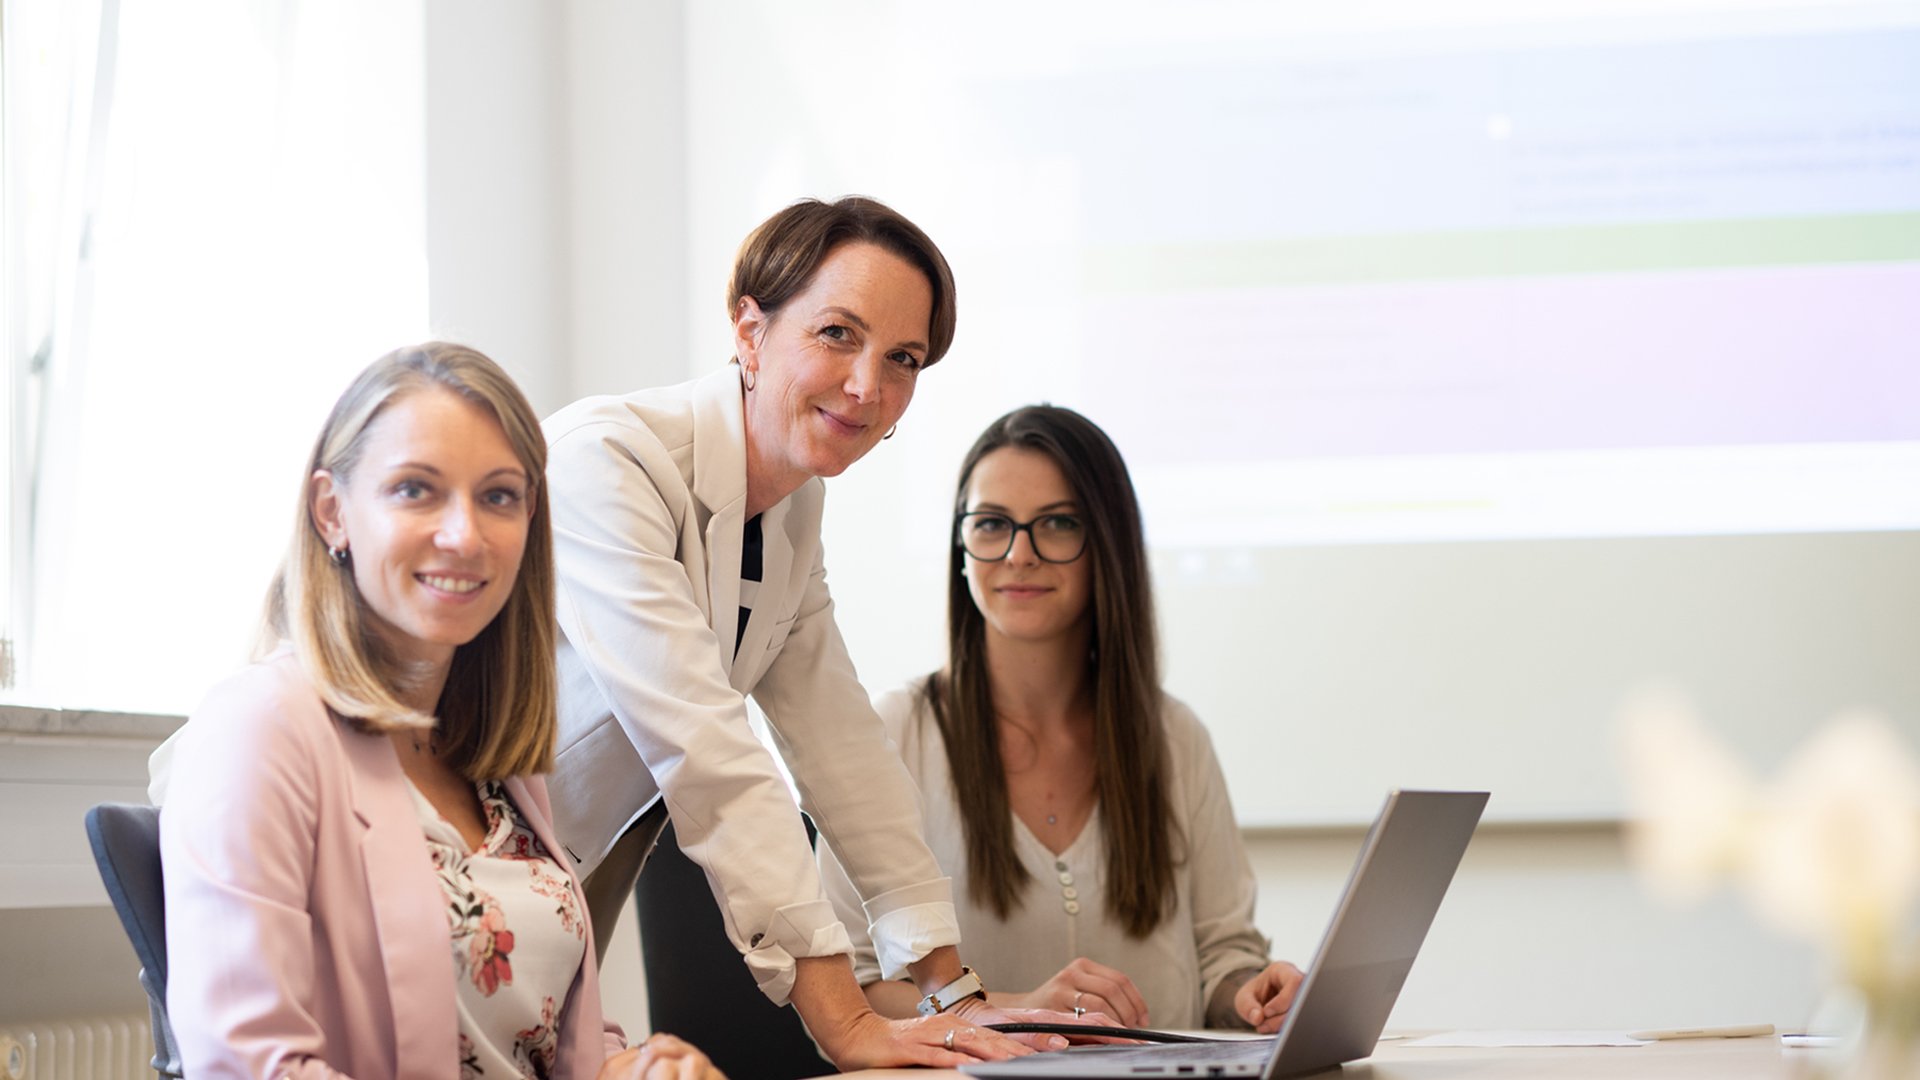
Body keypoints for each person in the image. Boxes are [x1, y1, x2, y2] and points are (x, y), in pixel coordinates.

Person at [543, 197, 1078, 1071]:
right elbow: (707, 752)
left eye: (902, 358)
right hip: (423, 891)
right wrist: (847, 1022)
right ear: (749, 329)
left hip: (543, 918)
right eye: (837, 334)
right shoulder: (609, 463)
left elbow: (844, 755)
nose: (868, 386)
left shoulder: (790, 509)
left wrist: (954, 998)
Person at [155, 343, 723, 1079]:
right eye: (416, 490)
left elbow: (529, 1029)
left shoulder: (497, 764)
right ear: (333, 511)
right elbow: (249, 1065)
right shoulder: (259, 729)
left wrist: (628, 1067)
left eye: (498, 496)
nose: (465, 534)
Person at [818, 404, 1307, 1033]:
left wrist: (1251, 993)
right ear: (961, 547)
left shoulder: (1174, 739)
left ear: (1107, 543)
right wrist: (1010, 1011)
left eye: (1057, 524)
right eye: (991, 524)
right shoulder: (895, 736)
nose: (1019, 555)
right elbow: (851, 990)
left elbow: (1224, 960)